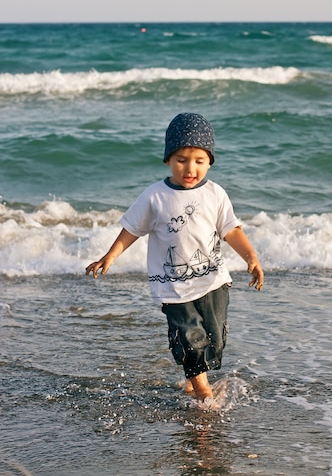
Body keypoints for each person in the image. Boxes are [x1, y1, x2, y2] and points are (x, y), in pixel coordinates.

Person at [86, 112, 264, 407]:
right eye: (181, 159)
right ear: (168, 159)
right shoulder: (154, 197)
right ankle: (203, 391)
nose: (190, 167)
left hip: (213, 280)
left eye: (199, 160)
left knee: (214, 340)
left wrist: (252, 258)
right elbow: (131, 229)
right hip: (173, 287)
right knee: (190, 336)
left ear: (210, 162)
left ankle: (192, 380)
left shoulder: (216, 194)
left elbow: (231, 230)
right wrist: (111, 255)